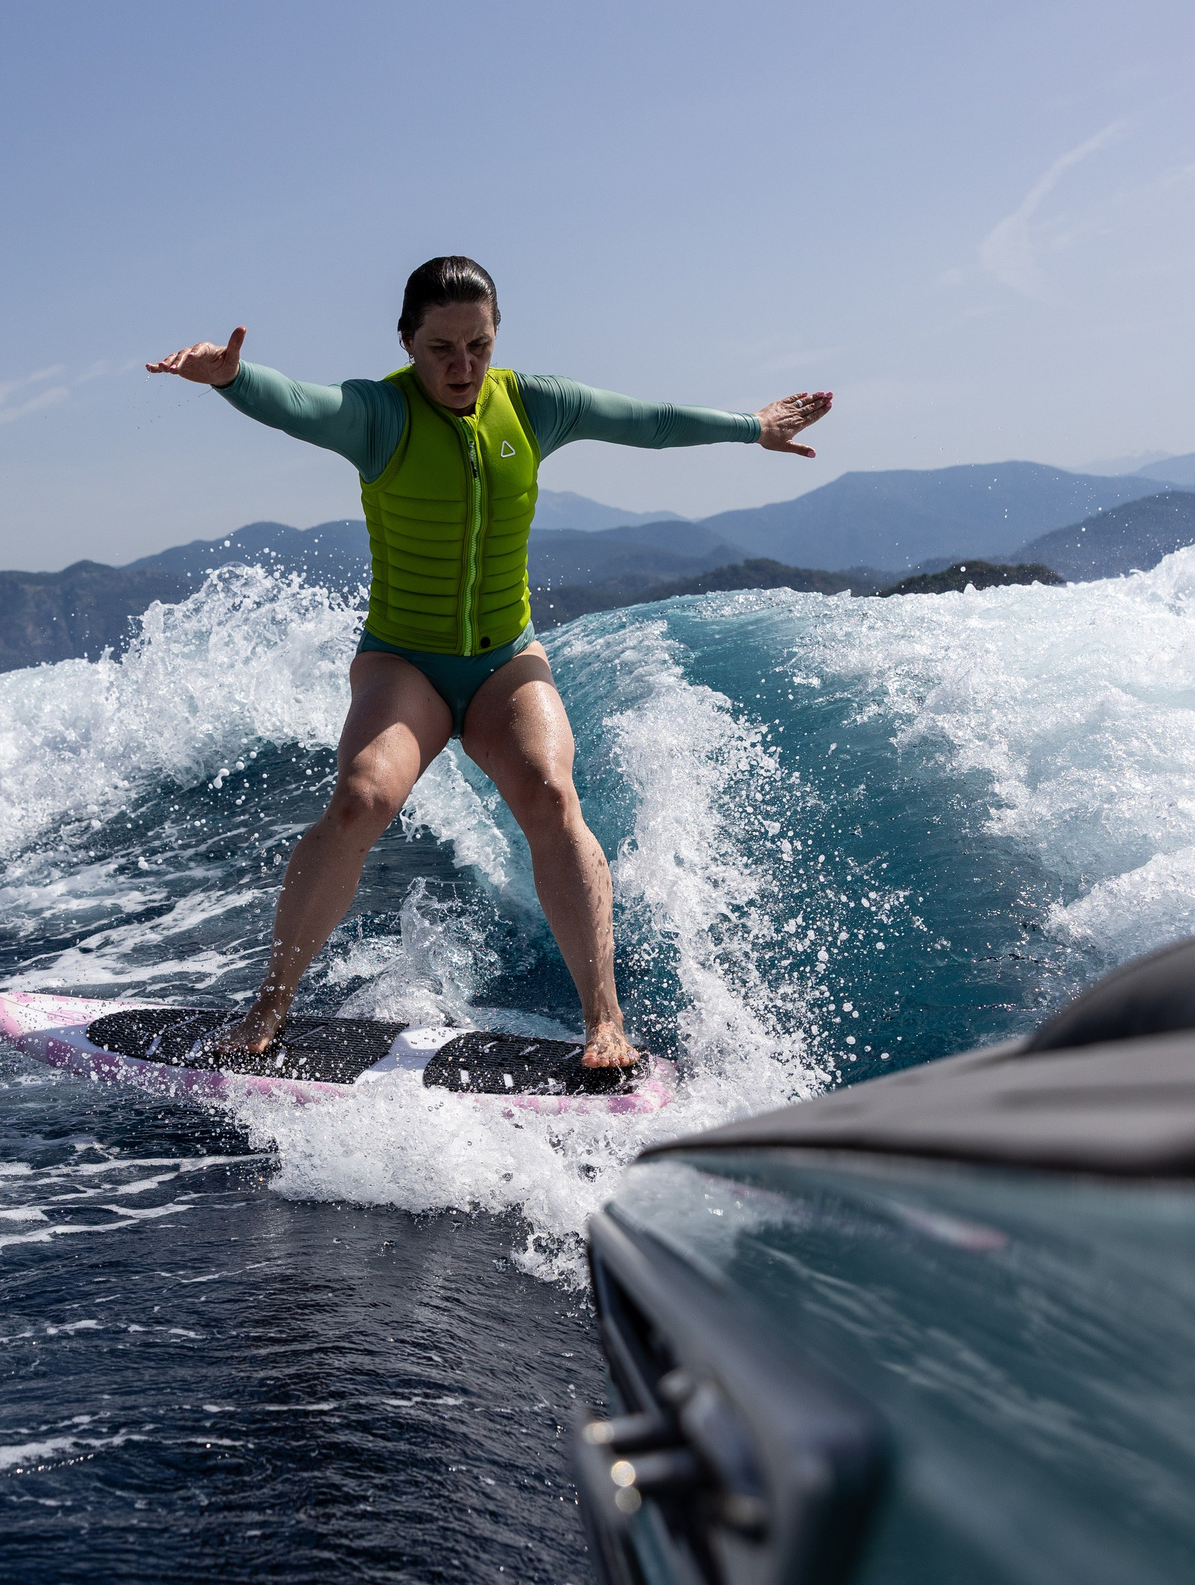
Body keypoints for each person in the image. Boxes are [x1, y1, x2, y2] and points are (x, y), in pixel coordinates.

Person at [147, 255, 830, 1069]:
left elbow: (647, 420)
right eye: (441, 348)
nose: (463, 367)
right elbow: (303, 404)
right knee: (362, 799)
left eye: (479, 344)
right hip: (406, 664)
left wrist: (751, 426)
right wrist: (235, 379)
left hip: (506, 659)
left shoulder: (533, 405)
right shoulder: (380, 416)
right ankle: (271, 1004)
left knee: (549, 793)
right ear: (407, 342)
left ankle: (604, 1020)